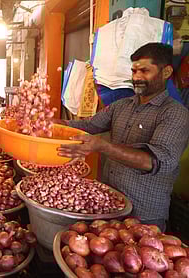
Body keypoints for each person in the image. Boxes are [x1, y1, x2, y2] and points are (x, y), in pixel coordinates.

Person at [57, 43, 189, 232]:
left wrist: (103, 146)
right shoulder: (122, 106)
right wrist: (53, 123)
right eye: (134, 71)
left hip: (144, 216)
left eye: (145, 71)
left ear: (166, 71)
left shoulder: (175, 114)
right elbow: (88, 125)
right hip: (110, 206)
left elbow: (155, 162)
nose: (137, 78)